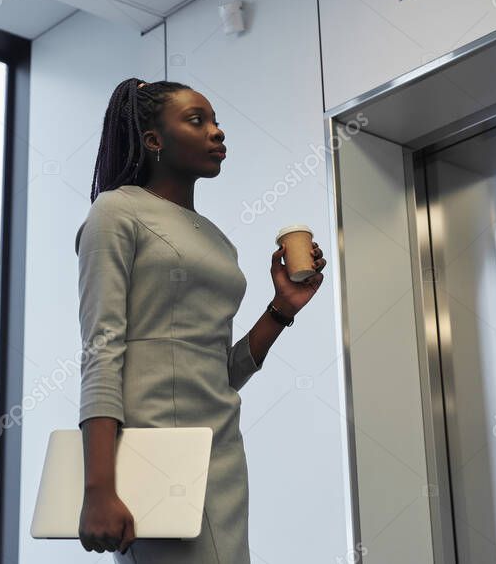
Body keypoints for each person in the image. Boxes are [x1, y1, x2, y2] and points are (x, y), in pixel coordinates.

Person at [74, 78, 326, 562]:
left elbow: (219, 372)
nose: (217, 132)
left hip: (222, 453)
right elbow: (101, 350)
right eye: (198, 121)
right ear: (154, 141)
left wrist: (282, 309)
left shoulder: (216, 240)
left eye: (216, 121)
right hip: (156, 457)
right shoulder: (116, 212)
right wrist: (99, 488)